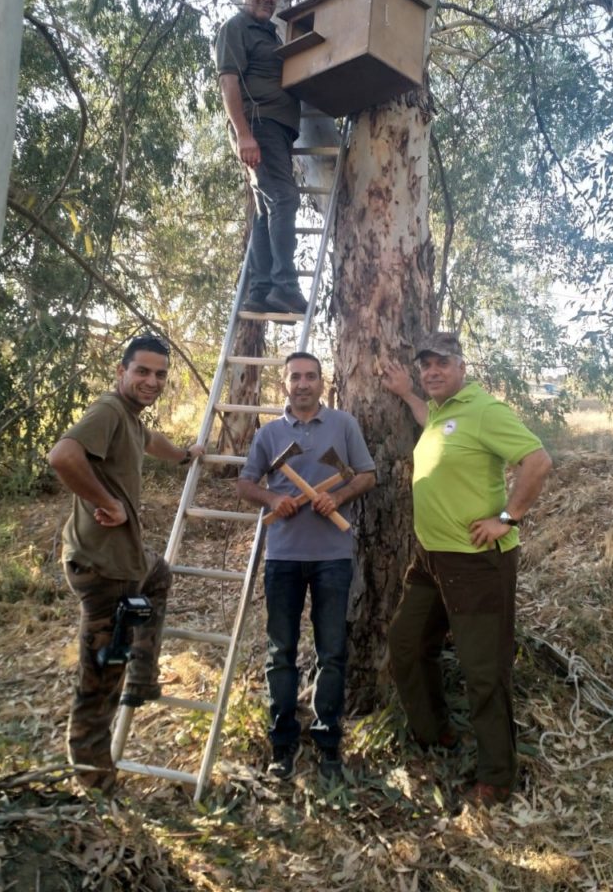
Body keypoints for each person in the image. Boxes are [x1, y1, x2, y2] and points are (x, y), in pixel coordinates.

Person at [382, 333, 552, 809]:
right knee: (407, 643)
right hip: (431, 558)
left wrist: (508, 519)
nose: (432, 371)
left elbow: (538, 460)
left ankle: (497, 777)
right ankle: (439, 736)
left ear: (461, 367)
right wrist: (407, 395)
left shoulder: (484, 410)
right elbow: (431, 423)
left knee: (484, 671)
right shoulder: (439, 411)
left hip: (477, 564)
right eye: (426, 365)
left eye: (442, 364)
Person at [48, 334, 204, 793]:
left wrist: (183, 455)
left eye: (159, 374)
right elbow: (63, 456)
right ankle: (97, 789)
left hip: (126, 562)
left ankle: (142, 676)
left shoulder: (130, 420)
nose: (151, 381)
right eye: (142, 371)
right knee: (98, 686)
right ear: (121, 372)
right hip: (106, 571)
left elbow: (148, 439)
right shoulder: (110, 410)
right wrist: (107, 501)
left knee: (158, 575)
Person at [236, 351, 376, 780]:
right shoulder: (270, 433)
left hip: (333, 557)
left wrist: (339, 496)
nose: (302, 384)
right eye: (295, 377)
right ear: (285, 384)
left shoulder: (344, 425)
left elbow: (367, 475)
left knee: (331, 651)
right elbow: (245, 484)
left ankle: (328, 740)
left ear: (321, 382)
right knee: (281, 652)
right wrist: (274, 499)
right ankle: (282, 742)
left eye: (310, 376)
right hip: (282, 558)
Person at [215, 0, 307, 316]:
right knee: (284, 199)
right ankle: (285, 286)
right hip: (258, 126)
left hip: (275, 130)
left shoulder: (270, 34)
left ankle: (261, 289)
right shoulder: (237, 28)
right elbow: (228, 82)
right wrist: (243, 134)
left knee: (267, 210)